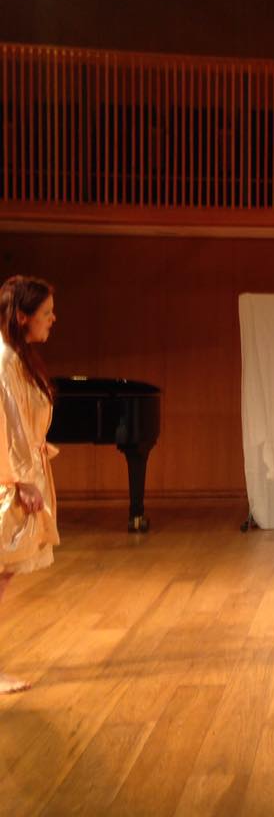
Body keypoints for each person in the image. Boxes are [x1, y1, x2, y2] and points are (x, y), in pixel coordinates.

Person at [0, 275, 59, 693]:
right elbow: (8, 424)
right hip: (9, 478)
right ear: (23, 317)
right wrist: (21, 480)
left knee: (4, 573)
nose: (53, 319)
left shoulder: (17, 358)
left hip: (19, 474)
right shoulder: (5, 361)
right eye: (46, 313)